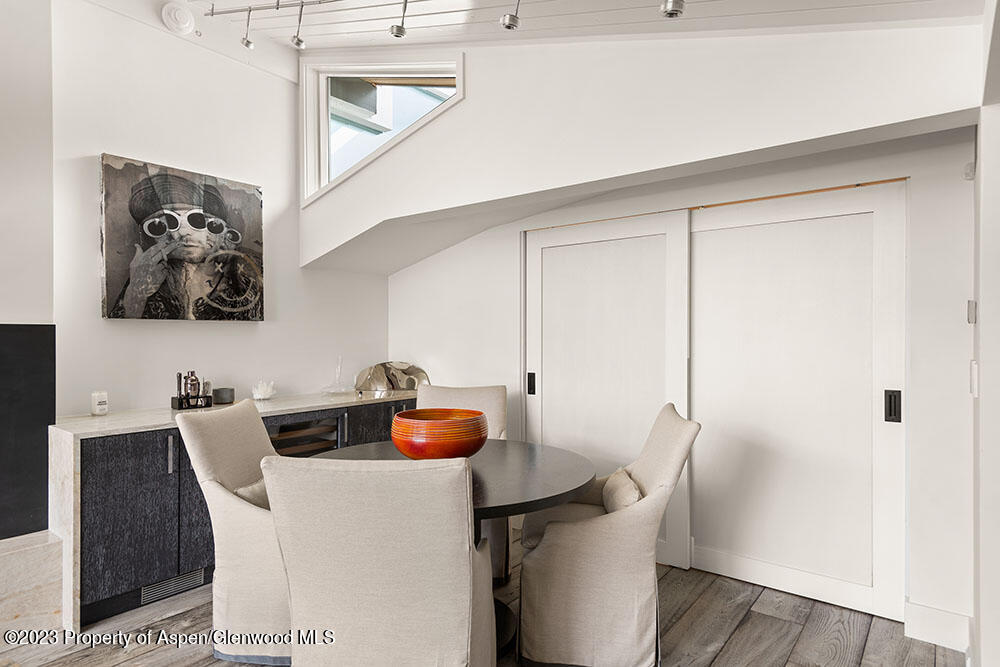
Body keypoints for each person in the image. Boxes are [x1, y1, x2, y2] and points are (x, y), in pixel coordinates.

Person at [109, 173, 263, 320]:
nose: (182, 233)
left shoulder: (247, 272)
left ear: (220, 231)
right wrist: (136, 293)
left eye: (196, 220)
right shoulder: (149, 277)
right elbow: (120, 334)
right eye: (159, 225)